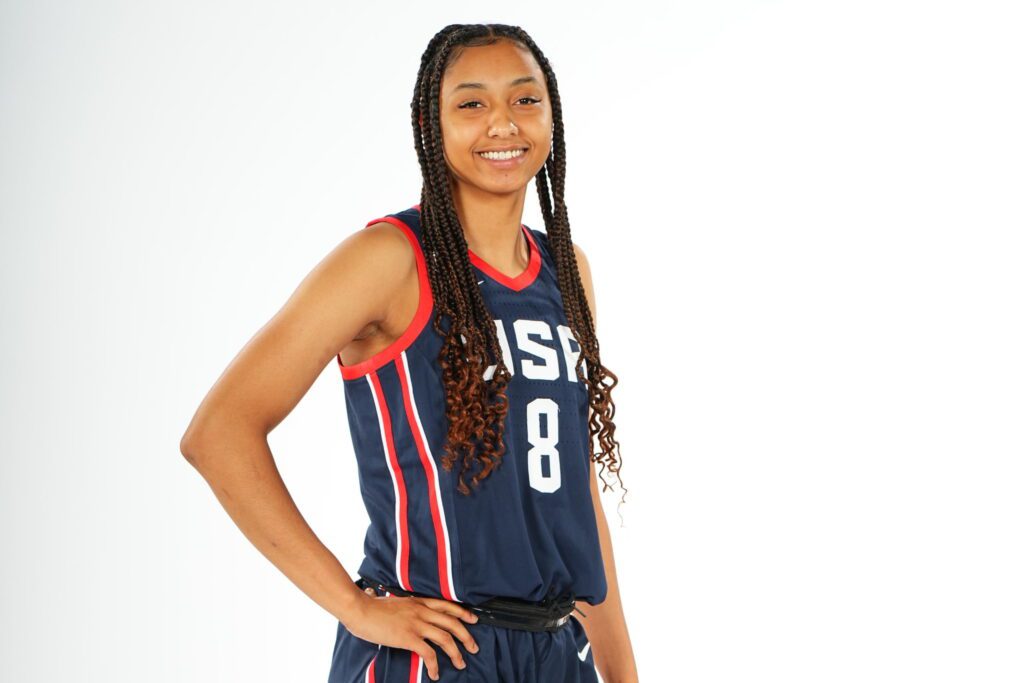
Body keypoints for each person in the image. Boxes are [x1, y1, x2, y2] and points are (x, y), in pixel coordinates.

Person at [180, 23, 637, 683]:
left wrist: (621, 671)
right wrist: (355, 606)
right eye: (472, 103)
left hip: (556, 653)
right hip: (437, 651)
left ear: (551, 116)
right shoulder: (389, 260)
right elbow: (218, 432)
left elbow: (573, 487)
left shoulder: (567, 272)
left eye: (525, 99)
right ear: (429, 122)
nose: (502, 122)